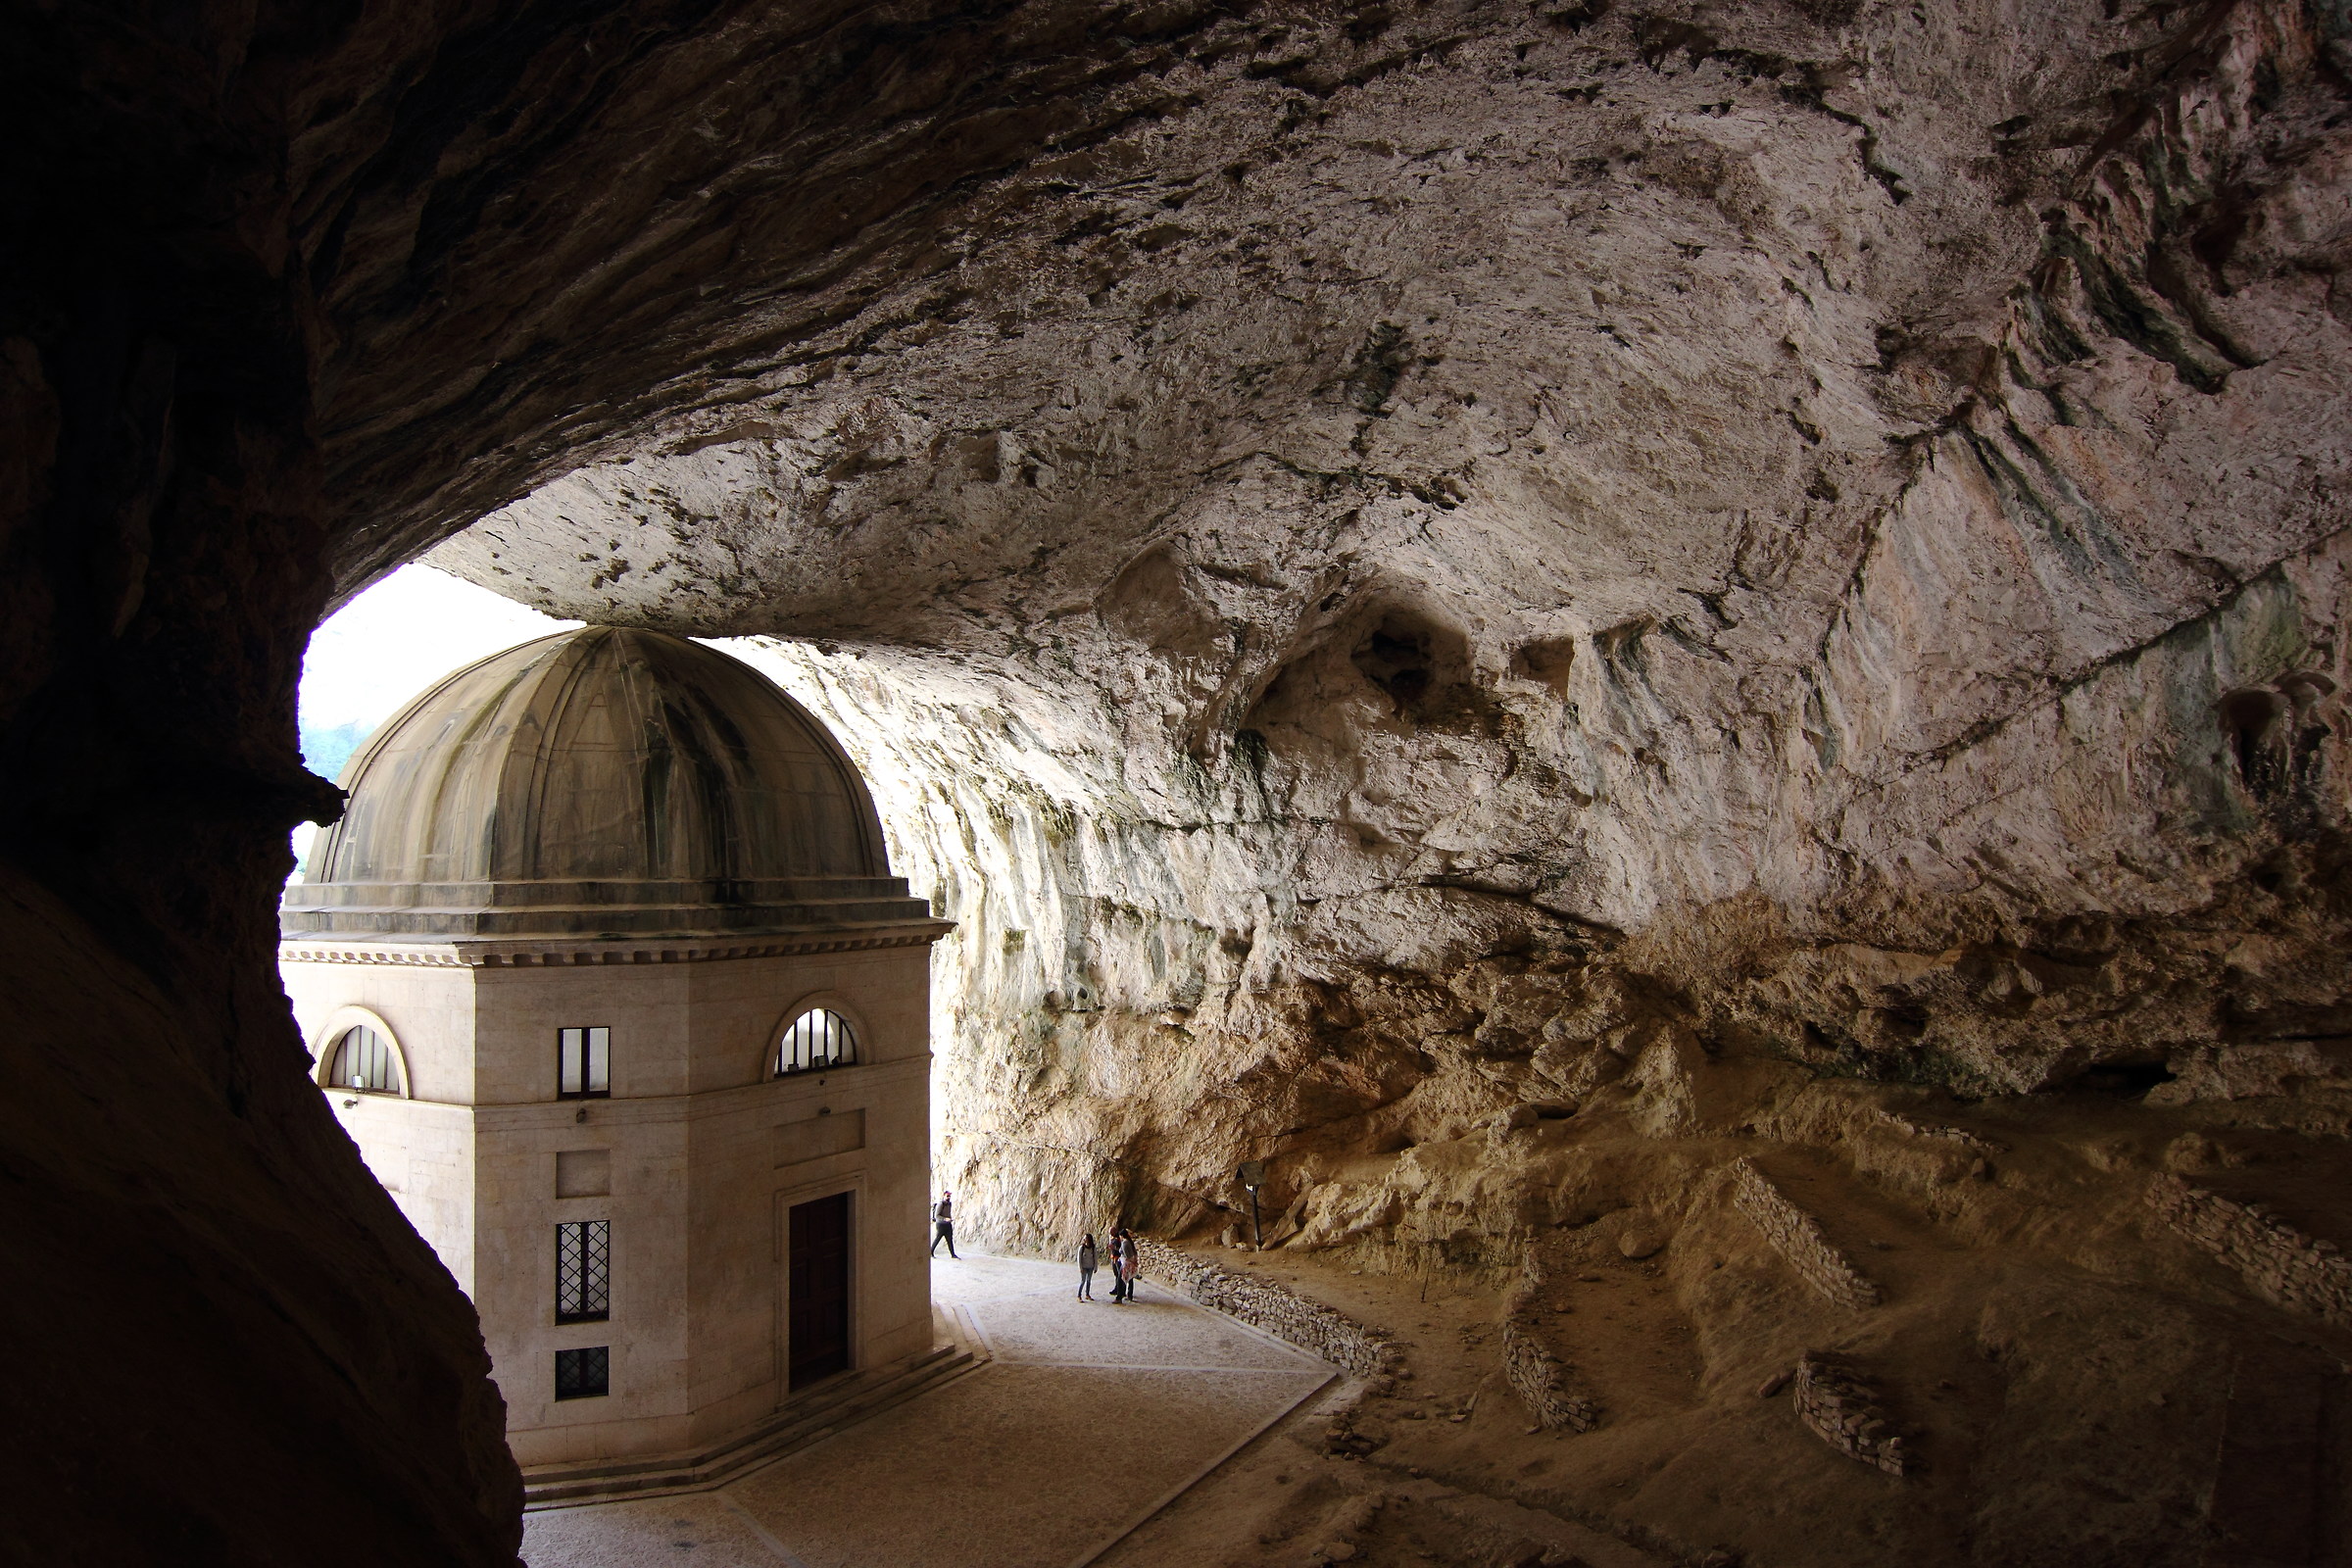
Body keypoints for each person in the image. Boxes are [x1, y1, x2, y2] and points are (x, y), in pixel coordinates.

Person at [929, 1190, 957, 1258]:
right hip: (941, 1224)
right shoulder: (941, 1204)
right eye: (947, 1196)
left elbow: (948, 1213)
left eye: (949, 1196)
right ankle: (930, 1252)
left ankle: (953, 1254)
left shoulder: (949, 1204)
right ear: (944, 1196)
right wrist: (945, 1219)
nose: (949, 1197)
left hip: (947, 1224)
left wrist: (949, 1219)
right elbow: (937, 1216)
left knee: (949, 1239)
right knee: (938, 1238)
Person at [1077, 1232, 1098, 1300]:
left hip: (1090, 1266)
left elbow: (1095, 1257)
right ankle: (1079, 1295)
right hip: (1084, 1267)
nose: (1084, 1239)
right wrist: (1080, 1267)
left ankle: (1087, 1294)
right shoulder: (1082, 1248)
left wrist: (1095, 1267)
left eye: (1086, 1238)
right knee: (1083, 1281)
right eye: (1084, 1238)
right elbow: (1079, 1258)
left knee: (1089, 1281)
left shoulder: (1093, 1247)